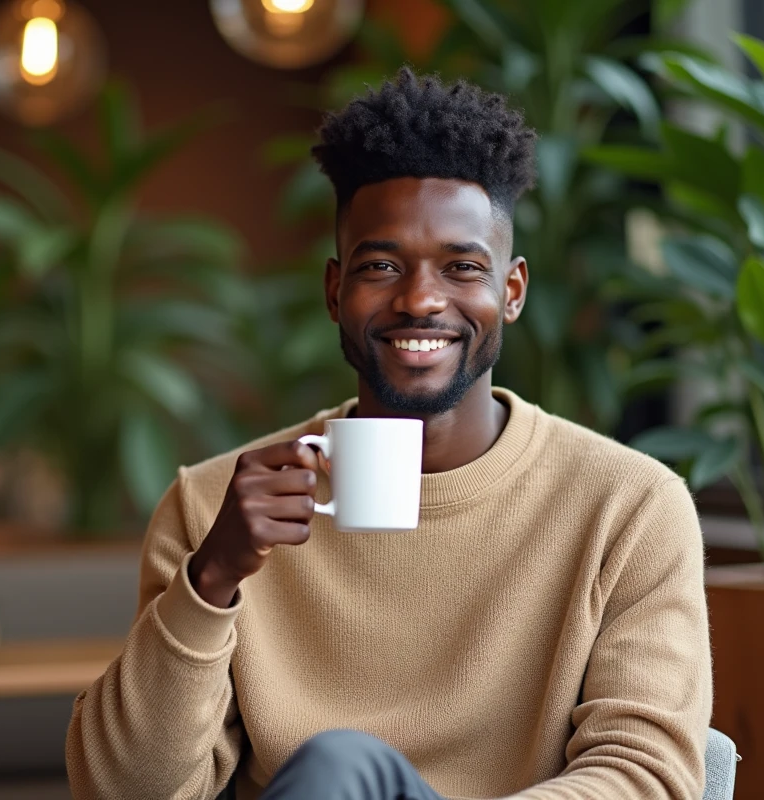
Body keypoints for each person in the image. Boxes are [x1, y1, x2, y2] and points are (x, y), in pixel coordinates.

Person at [66, 67, 711, 800]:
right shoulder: (214, 510)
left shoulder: (627, 507)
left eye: (462, 267)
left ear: (512, 290)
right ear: (336, 290)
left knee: (342, 770)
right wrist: (211, 578)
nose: (420, 299)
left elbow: (646, 778)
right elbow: (124, 793)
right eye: (382, 266)